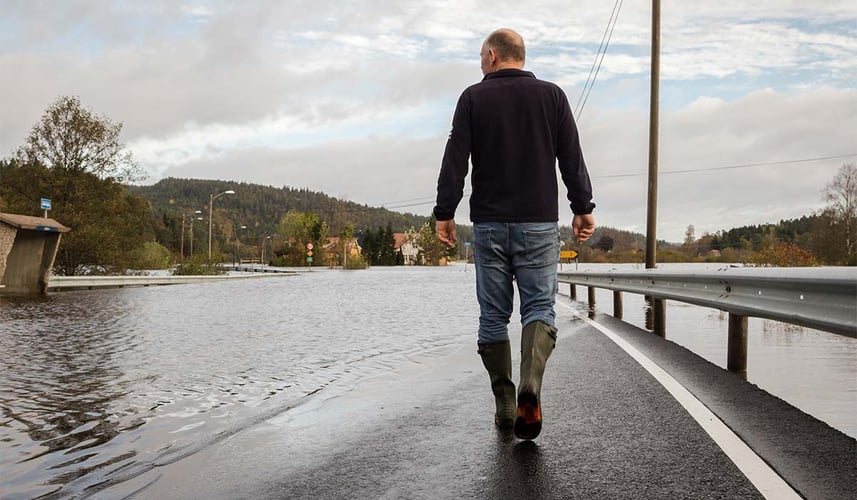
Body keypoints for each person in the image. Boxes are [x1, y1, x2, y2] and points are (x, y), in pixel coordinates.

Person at [433, 28, 596, 440]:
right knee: (539, 308)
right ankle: (531, 386)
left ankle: (505, 400)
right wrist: (582, 208)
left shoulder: (472, 98)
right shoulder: (553, 96)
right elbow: (571, 156)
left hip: (488, 226)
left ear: (491, 55)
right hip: (539, 224)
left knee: (493, 316)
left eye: (480, 57)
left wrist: (444, 212)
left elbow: (455, 160)